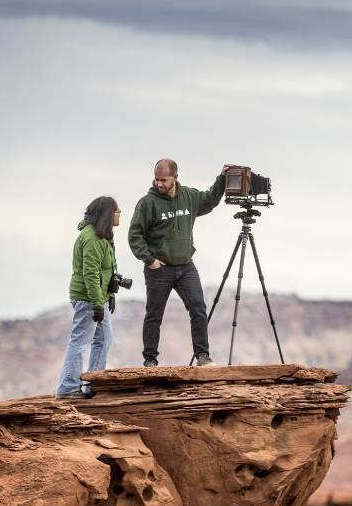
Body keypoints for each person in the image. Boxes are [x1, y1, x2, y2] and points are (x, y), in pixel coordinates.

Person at [128, 158, 227, 367]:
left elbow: (209, 200)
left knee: (198, 308)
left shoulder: (189, 197)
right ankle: (150, 360)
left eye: (163, 180)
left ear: (175, 177)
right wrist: (150, 260)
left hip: (186, 267)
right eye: (156, 180)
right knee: (154, 315)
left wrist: (222, 179)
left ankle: (203, 356)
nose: (159, 184)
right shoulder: (147, 203)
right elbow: (134, 235)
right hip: (159, 269)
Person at [55, 197, 120, 398]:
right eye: (117, 212)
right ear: (108, 214)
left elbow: (104, 270)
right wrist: (96, 303)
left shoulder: (102, 236)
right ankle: (67, 388)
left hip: (98, 297)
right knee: (80, 342)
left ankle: (94, 384)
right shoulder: (92, 238)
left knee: (104, 339)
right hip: (88, 299)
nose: (119, 216)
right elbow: (90, 273)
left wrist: (109, 294)